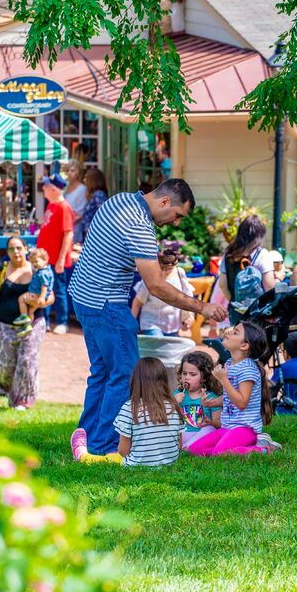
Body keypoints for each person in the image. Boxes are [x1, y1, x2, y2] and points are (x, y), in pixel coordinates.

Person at [68, 179, 228, 457]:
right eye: (178, 215)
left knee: (102, 373)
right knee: (126, 375)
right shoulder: (141, 226)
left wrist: (154, 259)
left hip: (84, 298)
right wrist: (201, 308)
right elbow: (155, 286)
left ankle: (86, 441)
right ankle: (106, 447)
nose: (176, 223)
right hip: (108, 305)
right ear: (165, 202)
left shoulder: (119, 201)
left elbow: (114, 248)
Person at [0, 236, 52, 410]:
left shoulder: (37, 269)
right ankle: (16, 395)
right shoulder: (2, 269)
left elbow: (51, 296)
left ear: (26, 249)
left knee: (26, 361)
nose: (16, 252)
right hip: (5, 325)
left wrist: (40, 302)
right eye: (11, 249)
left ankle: (24, 401)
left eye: (19, 248)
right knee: (4, 370)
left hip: (32, 325)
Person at [73, 358, 184, 467]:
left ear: (135, 381)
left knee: (112, 457)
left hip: (137, 464)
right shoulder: (174, 406)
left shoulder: (130, 408)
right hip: (169, 463)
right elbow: (178, 447)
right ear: (164, 381)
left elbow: (123, 451)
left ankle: (82, 455)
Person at [186, 321, 273, 456]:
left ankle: (263, 449)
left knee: (220, 454)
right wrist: (213, 402)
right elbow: (230, 396)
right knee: (193, 450)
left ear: (244, 345)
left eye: (235, 332)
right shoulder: (229, 363)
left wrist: (223, 379)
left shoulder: (247, 369)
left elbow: (242, 402)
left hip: (244, 429)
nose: (228, 332)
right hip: (227, 427)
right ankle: (226, 451)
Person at [217, 214, 278, 324]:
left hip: (236, 311)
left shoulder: (228, 254)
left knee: (237, 339)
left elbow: (222, 284)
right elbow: (269, 286)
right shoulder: (262, 254)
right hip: (258, 313)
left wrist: (236, 300)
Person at [37, 174, 75, 335]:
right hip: (45, 259)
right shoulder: (52, 205)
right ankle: (44, 320)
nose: (43, 188)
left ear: (53, 189)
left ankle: (62, 321)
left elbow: (68, 234)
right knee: (44, 289)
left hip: (55, 259)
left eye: (46, 186)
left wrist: (60, 259)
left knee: (58, 290)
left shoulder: (63, 207)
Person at [131, 249, 195, 336]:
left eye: (169, 269)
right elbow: (137, 303)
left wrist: (190, 317)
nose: (165, 272)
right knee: (158, 346)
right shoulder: (151, 277)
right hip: (151, 324)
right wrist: (131, 326)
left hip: (173, 325)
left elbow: (188, 297)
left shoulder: (180, 273)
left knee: (172, 350)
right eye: (163, 269)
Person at [175, 351, 222, 448]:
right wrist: (173, 402)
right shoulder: (177, 395)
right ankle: (186, 446)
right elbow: (165, 415)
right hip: (182, 434)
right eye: (184, 373)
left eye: (192, 374)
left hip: (201, 434)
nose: (187, 377)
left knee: (210, 429)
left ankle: (187, 447)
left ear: (204, 377)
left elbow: (218, 425)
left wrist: (210, 422)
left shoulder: (211, 398)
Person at [15, 248, 54, 337]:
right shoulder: (45, 270)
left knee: (21, 299)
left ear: (45, 260)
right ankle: (28, 326)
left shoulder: (43, 273)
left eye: (36, 262)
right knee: (31, 311)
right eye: (33, 263)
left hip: (36, 294)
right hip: (40, 295)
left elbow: (44, 286)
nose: (34, 264)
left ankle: (23, 316)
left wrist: (42, 297)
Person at [73, 166, 109, 250]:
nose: (84, 180)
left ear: (92, 180)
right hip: (88, 236)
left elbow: (104, 215)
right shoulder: (95, 195)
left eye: (86, 178)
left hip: (94, 238)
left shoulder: (99, 195)